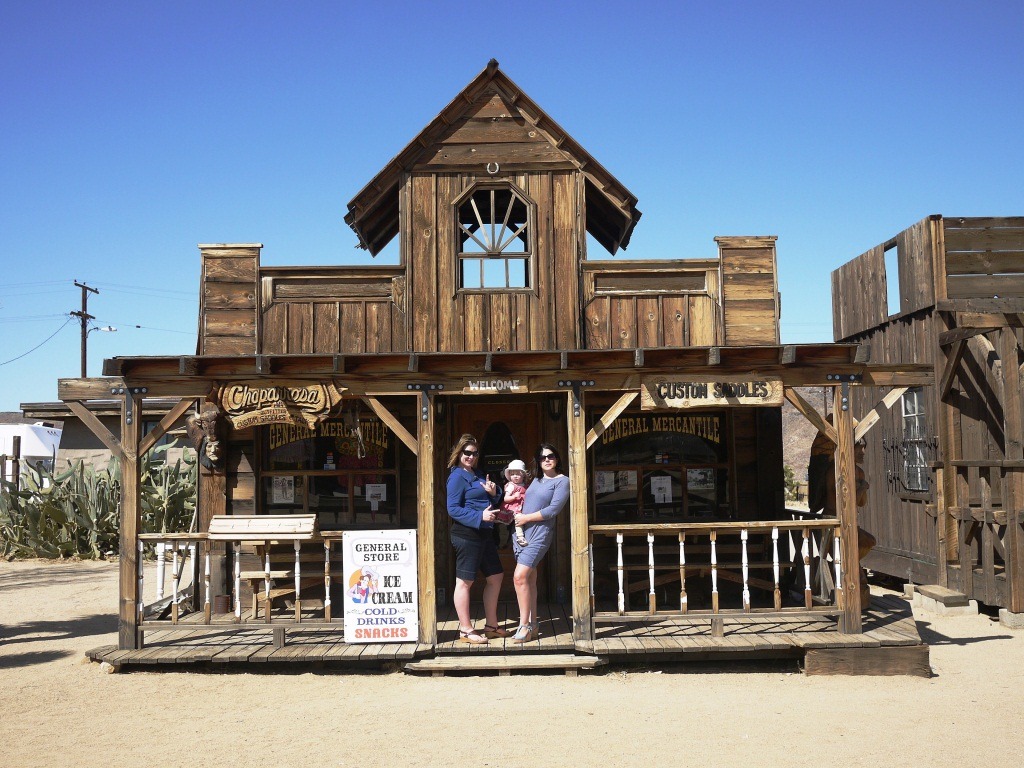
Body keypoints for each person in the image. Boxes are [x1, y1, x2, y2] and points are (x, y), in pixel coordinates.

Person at [445, 434, 507, 644]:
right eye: (467, 453)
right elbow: (452, 509)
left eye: (474, 453)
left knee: (496, 576)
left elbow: (493, 497)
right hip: (467, 535)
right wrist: (479, 516)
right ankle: (465, 630)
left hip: (485, 534)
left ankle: (491, 625)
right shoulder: (456, 477)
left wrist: (494, 491)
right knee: (464, 582)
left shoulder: (478, 474)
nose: (471, 456)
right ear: (459, 453)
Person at [511, 443, 569, 644]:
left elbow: (552, 510)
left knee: (519, 577)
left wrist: (526, 518)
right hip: (521, 533)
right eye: (543, 457)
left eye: (551, 456)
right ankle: (534, 625)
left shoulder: (562, 481)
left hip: (540, 533)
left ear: (557, 458)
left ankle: (524, 625)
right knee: (530, 579)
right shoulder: (535, 479)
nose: (547, 460)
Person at [498, 459, 530, 546]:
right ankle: (520, 537)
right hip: (512, 508)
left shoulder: (525, 486)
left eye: (518, 474)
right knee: (517, 521)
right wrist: (514, 497)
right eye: (512, 474)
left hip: (522, 507)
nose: (515, 476)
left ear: (523, 475)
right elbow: (506, 499)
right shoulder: (511, 486)